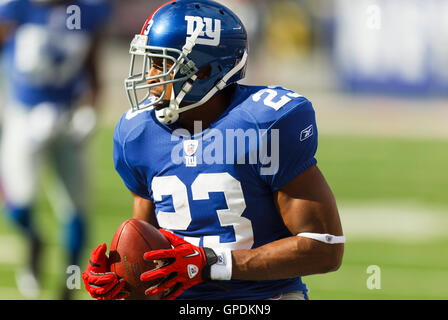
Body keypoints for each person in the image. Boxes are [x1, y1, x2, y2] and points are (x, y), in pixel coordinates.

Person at [83, 0, 344, 300]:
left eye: (161, 64)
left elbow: (325, 246)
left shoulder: (266, 123)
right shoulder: (138, 133)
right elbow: (147, 246)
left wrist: (210, 263)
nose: (151, 78)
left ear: (205, 71)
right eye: (149, 62)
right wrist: (123, 278)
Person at [0, 0, 111, 299]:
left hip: (68, 117)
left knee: (76, 207)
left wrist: (90, 109)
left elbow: (93, 68)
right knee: (17, 203)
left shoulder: (89, 11)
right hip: (23, 116)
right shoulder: (15, 9)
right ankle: (34, 239)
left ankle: (68, 286)